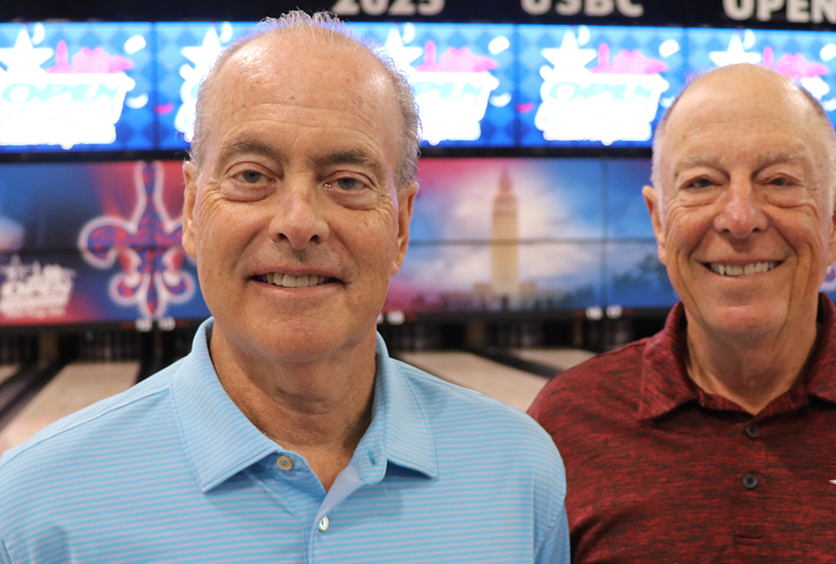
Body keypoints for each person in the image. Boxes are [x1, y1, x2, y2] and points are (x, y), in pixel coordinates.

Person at [0, 12, 569, 564]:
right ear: (193, 210)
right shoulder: (30, 510)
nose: (298, 222)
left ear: (400, 226)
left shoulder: (521, 475)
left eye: (347, 181)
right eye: (252, 175)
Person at [528, 64, 836, 562]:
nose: (739, 219)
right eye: (701, 182)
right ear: (659, 223)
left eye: (779, 180)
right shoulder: (567, 422)